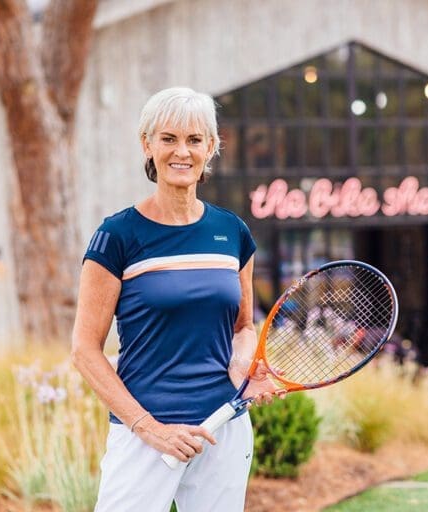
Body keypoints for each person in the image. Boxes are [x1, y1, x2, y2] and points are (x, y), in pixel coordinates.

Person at [71, 87, 279, 512]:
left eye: (194, 140)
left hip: (223, 426)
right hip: (144, 433)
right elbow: (84, 351)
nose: (181, 152)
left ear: (211, 148)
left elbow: (243, 325)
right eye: (168, 139)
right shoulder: (118, 236)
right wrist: (148, 429)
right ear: (147, 145)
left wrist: (243, 363)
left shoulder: (232, 232)